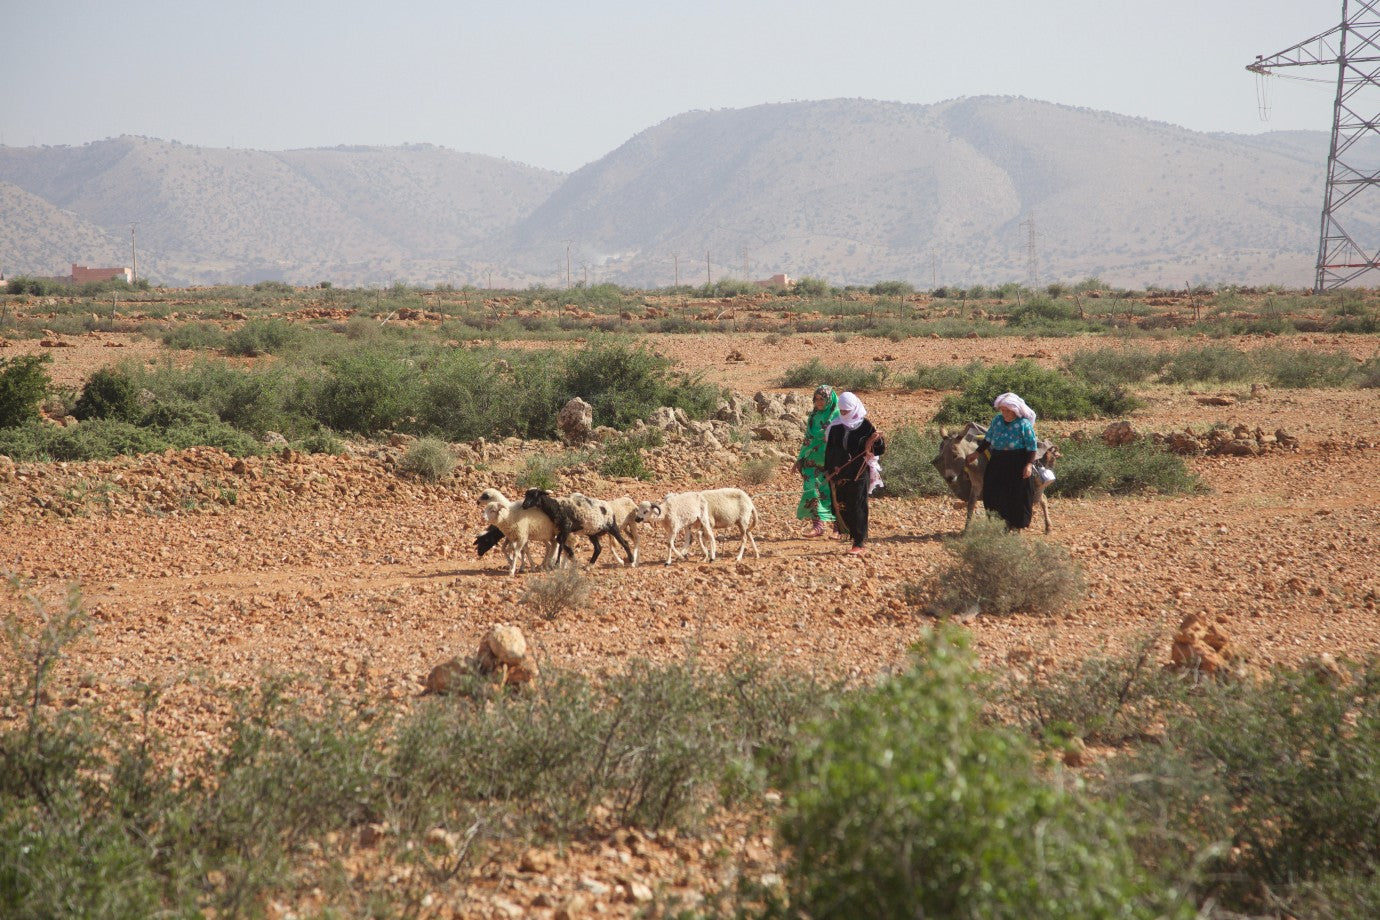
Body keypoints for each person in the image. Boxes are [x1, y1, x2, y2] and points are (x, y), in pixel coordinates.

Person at [967, 391, 1040, 530]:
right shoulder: (997, 421)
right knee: (992, 492)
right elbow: (988, 438)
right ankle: (998, 524)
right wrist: (976, 453)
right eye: (1002, 410)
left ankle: (1015, 526)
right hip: (998, 460)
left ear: (1015, 410)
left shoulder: (1023, 424)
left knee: (1017, 494)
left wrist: (1029, 464)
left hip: (1018, 462)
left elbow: (1032, 446)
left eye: (1008, 410)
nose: (1005, 413)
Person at [824, 391, 885, 556]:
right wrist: (830, 469)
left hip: (859, 472)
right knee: (842, 505)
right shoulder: (835, 426)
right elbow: (830, 450)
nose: (844, 414)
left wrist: (876, 440)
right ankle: (850, 534)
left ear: (854, 408)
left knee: (858, 506)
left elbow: (879, 449)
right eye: (841, 411)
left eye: (847, 411)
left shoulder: (865, 426)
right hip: (840, 473)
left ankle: (859, 542)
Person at [792, 384, 839, 537]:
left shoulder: (838, 416)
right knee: (811, 490)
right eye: (816, 399)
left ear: (830, 399)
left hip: (831, 461)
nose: (819, 402)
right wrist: (800, 459)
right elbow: (807, 439)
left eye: (823, 399)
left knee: (833, 493)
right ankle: (818, 526)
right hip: (811, 461)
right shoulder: (813, 416)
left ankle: (839, 527)